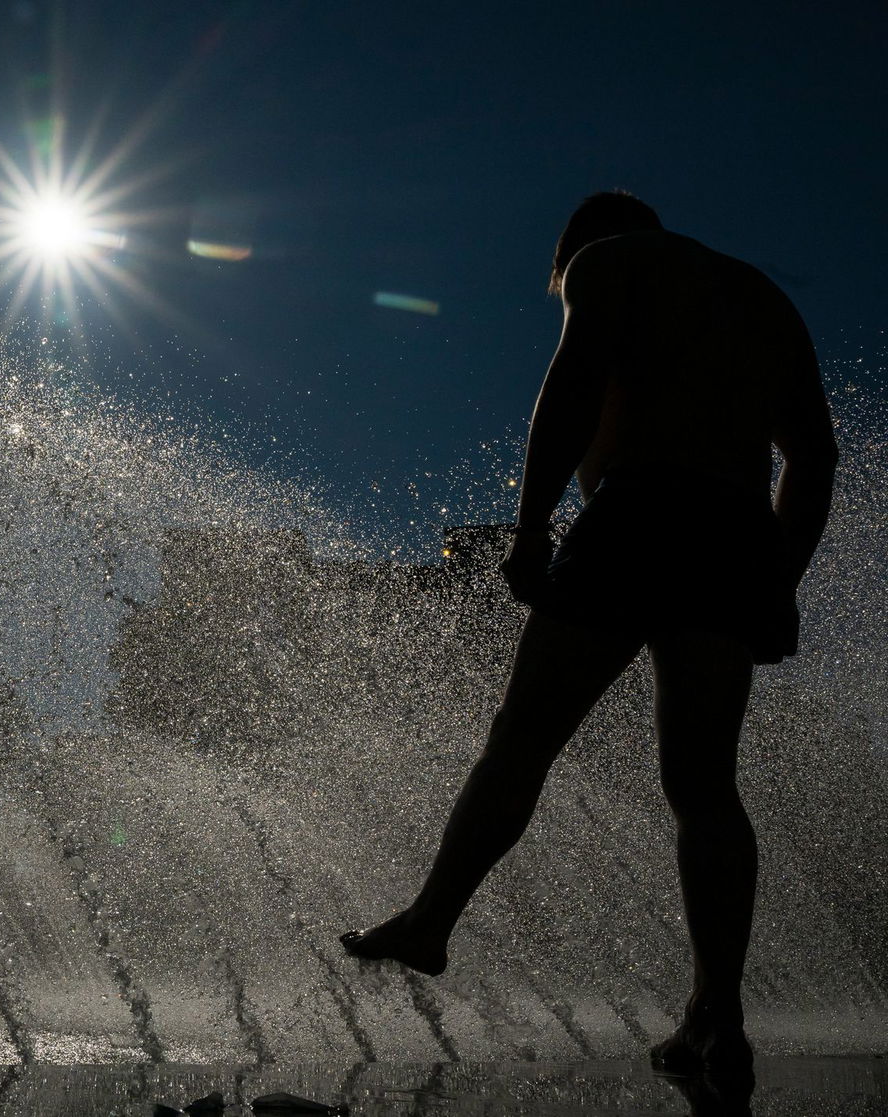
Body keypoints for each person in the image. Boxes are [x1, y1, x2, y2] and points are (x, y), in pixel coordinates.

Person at [341, 192, 837, 1081]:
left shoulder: (608, 261)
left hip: (639, 514)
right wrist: (779, 579)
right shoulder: (765, 297)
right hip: (734, 536)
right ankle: (717, 1017)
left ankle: (430, 920)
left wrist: (532, 528)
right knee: (705, 787)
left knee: (523, 739)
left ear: (578, 245)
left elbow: (574, 381)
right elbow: (815, 456)